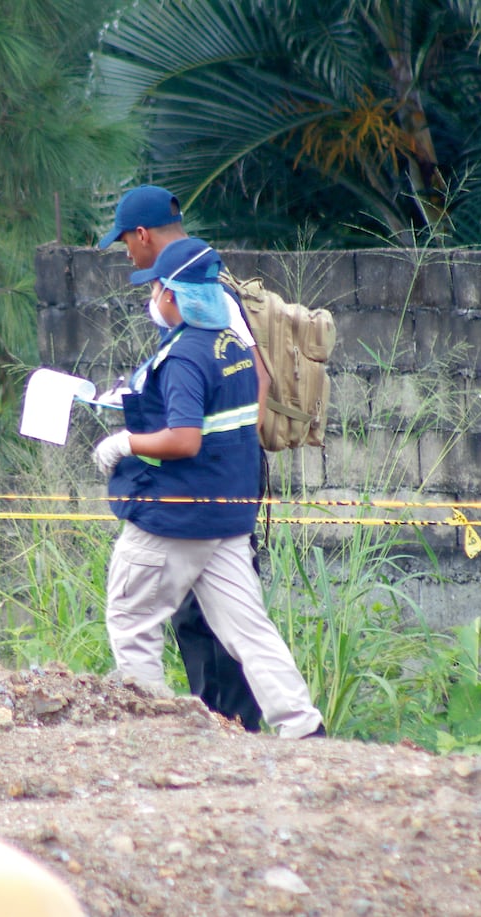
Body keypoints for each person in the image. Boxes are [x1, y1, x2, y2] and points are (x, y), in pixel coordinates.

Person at [91, 237, 324, 738]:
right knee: (249, 631)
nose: (152, 298)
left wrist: (125, 443)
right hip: (227, 518)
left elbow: (184, 438)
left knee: (131, 622)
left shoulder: (184, 358)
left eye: (155, 288)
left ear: (172, 295)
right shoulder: (236, 347)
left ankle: (151, 733)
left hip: (172, 519)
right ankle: (303, 728)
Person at [98, 184, 265, 730]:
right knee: (199, 614)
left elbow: (251, 382)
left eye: (125, 241)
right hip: (194, 464)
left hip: (213, 469)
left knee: (218, 619)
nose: (127, 252)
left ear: (142, 235)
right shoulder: (188, 282)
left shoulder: (205, 289)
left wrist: (198, 443)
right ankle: (211, 724)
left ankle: (228, 726)